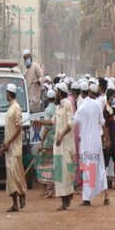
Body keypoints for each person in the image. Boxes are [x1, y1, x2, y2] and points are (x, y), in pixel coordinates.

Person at [34, 83, 76, 211]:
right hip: (58, 146)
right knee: (59, 173)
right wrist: (39, 122)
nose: (56, 94)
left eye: (57, 91)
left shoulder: (67, 104)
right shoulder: (58, 107)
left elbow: (70, 124)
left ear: (61, 92)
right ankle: (65, 199)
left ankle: (67, 198)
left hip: (65, 144)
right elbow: (52, 121)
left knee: (65, 172)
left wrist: (61, 136)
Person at [74, 83, 109, 206]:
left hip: (86, 143)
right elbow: (103, 123)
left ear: (89, 92)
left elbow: (75, 120)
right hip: (96, 141)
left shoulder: (83, 105)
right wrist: (106, 138)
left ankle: (87, 198)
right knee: (100, 166)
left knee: (88, 168)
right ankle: (106, 196)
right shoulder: (98, 104)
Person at [0, 84, 27, 212]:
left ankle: (22, 194)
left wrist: (9, 142)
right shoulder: (10, 108)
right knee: (11, 176)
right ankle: (15, 203)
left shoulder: (16, 108)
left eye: (6, 93)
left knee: (16, 174)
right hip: (9, 148)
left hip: (15, 148)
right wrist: (5, 145)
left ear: (9, 94)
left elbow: (18, 128)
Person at [35, 90, 56, 198]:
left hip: (48, 141)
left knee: (46, 165)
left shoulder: (48, 110)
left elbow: (47, 127)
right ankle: (51, 189)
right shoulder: (57, 108)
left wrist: (42, 142)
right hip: (55, 140)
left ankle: (49, 189)